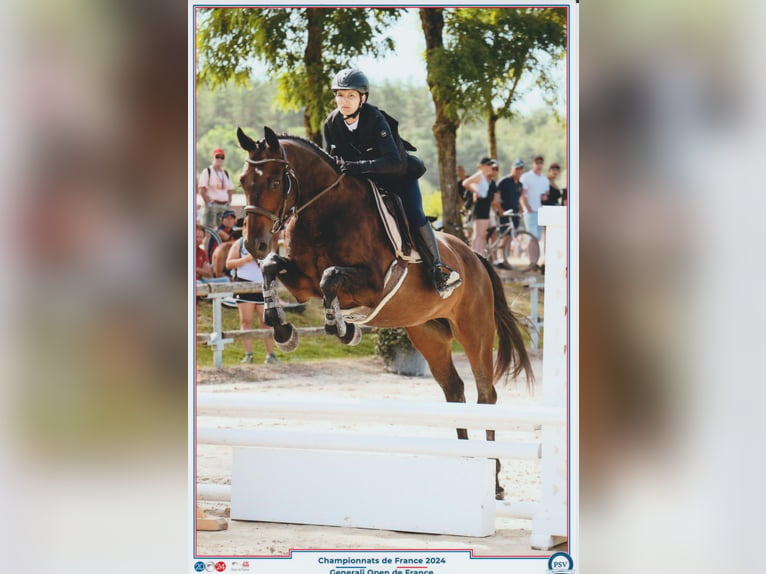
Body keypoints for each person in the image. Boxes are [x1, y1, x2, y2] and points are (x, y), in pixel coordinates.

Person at [323, 67, 461, 299]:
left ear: (362, 98)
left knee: (415, 213)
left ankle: (438, 268)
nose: (343, 101)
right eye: (339, 95)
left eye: (350, 96)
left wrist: (357, 166)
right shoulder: (331, 123)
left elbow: (393, 162)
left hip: (396, 176)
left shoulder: (376, 120)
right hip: (362, 182)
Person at [226, 222, 279, 365]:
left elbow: (273, 262)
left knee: (266, 322)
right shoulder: (240, 243)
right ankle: (248, 354)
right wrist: (246, 259)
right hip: (244, 283)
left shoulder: (266, 242)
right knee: (246, 321)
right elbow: (229, 263)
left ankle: (271, 354)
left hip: (262, 284)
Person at [461, 157, 497, 256]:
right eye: (488, 165)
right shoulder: (479, 175)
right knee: (478, 234)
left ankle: (479, 254)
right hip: (480, 206)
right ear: (482, 166)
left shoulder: (485, 177)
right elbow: (465, 183)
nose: (490, 167)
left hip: (485, 206)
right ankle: (474, 254)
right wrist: (476, 191)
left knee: (482, 234)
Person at [198, 148, 235, 228]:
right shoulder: (208, 171)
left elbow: (230, 189)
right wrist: (208, 203)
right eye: (217, 156)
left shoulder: (225, 173)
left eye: (222, 157)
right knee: (209, 231)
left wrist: (229, 203)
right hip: (212, 205)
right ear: (212, 158)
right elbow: (202, 189)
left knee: (222, 230)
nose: (219, 159)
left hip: (224, 206)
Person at [519, 155, 550, 240]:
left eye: (541, 163)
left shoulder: (545, 179)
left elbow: (547, 194)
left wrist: (545, 197)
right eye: (537, 162)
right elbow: (522, 194)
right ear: (533, 164)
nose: (539, 165)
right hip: (530, 211)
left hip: (541, 211)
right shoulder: (526, 177)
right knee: (532, 237)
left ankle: (535, 254)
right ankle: (530, 254)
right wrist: (528, 208)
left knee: (538, 237)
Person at [496, 159, 525, 232]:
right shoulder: (504, 181)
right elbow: (496, 197)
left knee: (513, 235)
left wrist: (521, 209)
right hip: (505, 212)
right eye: (517, 169)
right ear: (512, 168)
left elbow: (517, 199)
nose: (518, 171)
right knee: (505, 236)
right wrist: (500, 210)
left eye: (520, 169)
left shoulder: (520, 184)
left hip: (515, 213)